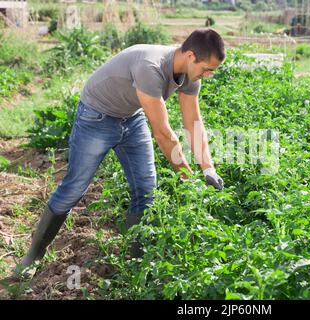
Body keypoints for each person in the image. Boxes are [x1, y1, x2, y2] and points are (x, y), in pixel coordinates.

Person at [15, 29, 226, 277]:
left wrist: (208, 169)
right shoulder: (150, 67)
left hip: (131, 118)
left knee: (146, 188)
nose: (208, 75)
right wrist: (187, 176)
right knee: (74, 188)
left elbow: (194, 123)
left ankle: (135, 266)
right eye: (207, 69)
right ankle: (32, 257)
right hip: (96, 116)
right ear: (190, 55)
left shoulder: (192, 76)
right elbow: (163, 132)